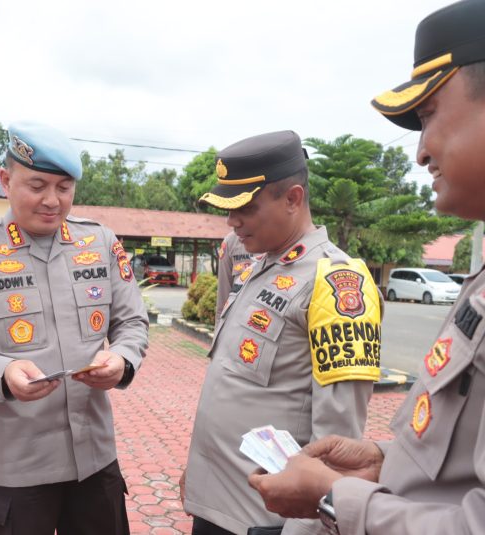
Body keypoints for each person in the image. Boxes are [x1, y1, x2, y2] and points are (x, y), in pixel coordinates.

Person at [248, 1, 485, 533]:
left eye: (427, 116)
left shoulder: (339, 279)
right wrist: (384, 462)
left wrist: (335, 501)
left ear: (292, 199)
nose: (420, 153)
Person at [0, 121, 149, 535]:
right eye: (37, 185)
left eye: (64, 188)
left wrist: (122, 358)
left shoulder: (99, 242)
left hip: (95, 460)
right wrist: (2, 375)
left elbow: (132, 321)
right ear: (5, 180)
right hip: (18, 470)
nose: (52, 201)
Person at [179, 131, 383, 535]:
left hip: (263, 520)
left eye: (247, 208)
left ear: (292, 199)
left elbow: (337, 438)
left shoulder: (335, 279)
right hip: (218, 501)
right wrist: (198, 474)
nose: (232, 221)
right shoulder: (262, 263)